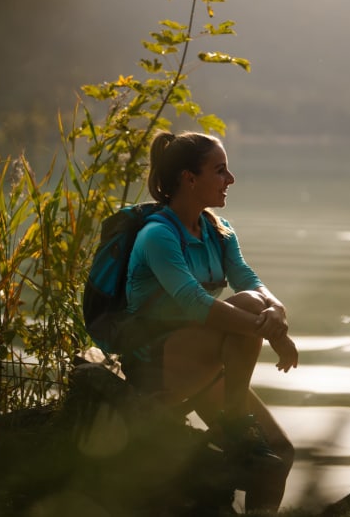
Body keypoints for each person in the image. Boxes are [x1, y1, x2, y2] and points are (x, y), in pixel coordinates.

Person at [122, 130, 299, 513]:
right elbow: (194, 303)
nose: (230, 180)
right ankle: (234, 422)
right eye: (220, 171)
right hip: (155, 365)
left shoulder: (219, 232)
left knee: (280, 453)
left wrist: (277, 319)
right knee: (249, 305)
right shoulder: (158, 236)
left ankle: (235, 428)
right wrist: (265, 330)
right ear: (189, 178)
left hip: (203, 361)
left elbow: (254, 284)